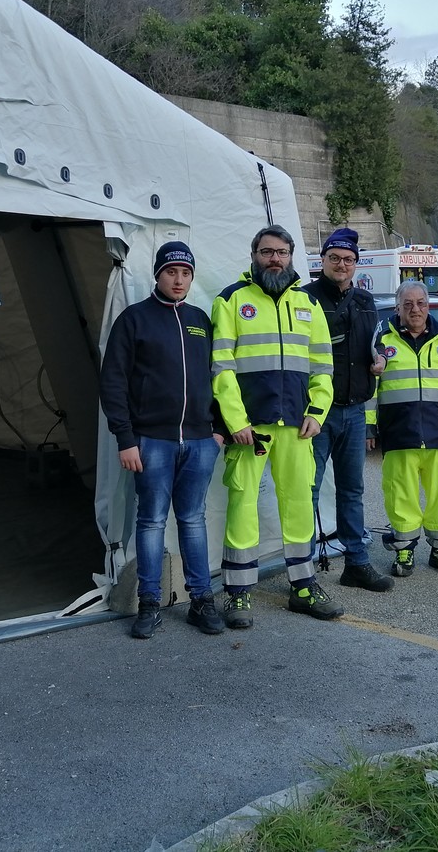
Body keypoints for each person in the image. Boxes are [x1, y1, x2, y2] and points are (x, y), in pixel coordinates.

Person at [211, 225, 343, 628]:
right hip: (250, 428)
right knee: (242, 506)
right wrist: (236, 421)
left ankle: (303, 587)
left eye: (282, 252)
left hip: (297, 427)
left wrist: (317, 413)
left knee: (299, 505)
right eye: (267, 252)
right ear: (254, 255)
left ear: (290, 256)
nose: (275, 259)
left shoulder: (308, 303)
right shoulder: (231, 300)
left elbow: (323, 366)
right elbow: (222, 368)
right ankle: (238, 593)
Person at [99, 241, 225, 639]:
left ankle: (201, 600)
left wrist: (219, 430)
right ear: (158, 275)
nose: (179, 279)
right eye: (171, 272)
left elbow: (219, 376)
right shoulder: (134, 319)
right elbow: (113, 382)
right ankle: (149, 603)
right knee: (152, 521)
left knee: (193, 519)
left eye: (186, 273)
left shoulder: (200, 320)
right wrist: (125, 438)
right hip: (151, 441)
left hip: (201, 442)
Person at [304, 228, 394, 593]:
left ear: (356, 264)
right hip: (317, 413)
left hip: (355, 412)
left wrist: (381, 357)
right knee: (307, 491)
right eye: (335, 258)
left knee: (352, 490)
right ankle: (303, 571)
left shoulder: (366, 300)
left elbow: (378, 340)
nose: (342, 265)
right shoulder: (304, 298)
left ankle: (356, 563)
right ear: (323, 260)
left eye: (349, 259)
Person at [369, 280, 438, 578]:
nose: (415, 309)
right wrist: (369, 427)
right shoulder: (382, 341)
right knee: (400, 494)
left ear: (428, 305)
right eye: (407, 304)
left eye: (420, 303)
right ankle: (404, 549)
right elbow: (372, 387)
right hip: (399, 433)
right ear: (397, 308)